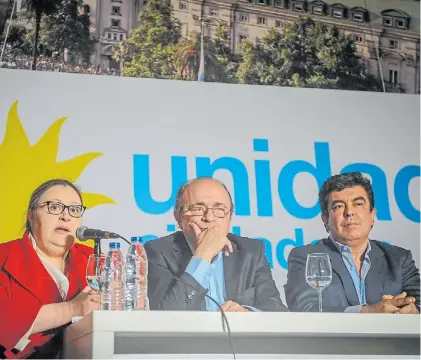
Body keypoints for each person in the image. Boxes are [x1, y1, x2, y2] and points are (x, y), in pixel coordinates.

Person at [145, 177, 288, 312]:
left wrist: (248, 313)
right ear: (178, 218)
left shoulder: (251, 252)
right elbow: (166, 317)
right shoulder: (158, 252)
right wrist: (203, 255)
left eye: (219, 209)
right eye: (197, 209)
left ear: (230, 217)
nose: (209, 217)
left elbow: (276, 312)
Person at [285, 172, 420, 314]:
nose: (349, 212)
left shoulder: (399, 259)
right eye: (338, 206)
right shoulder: (305, 257)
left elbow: (418, 302)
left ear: (372, 215)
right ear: (325, 219)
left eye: (358, 204)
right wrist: (368, 311)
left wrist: (413, 310)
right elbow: (305, 309)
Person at [0, 179, 100, 359]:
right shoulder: (3, 256)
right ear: (31, 215)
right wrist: (73, 308)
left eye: (74, 210)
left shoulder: (95, 259)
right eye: (54, 207)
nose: (66, 216)